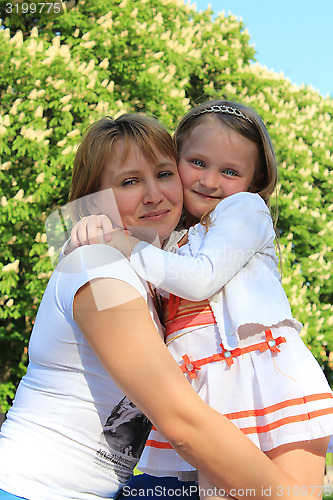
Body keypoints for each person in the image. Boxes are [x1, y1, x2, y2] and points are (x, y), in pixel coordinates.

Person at [0, 113, 319, 500]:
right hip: (28, 488)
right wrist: (292, 495)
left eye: (165, 174)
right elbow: (180, 422)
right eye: (130, 181)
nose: (155, 194)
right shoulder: (99, 266)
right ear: (96, 200)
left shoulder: (155, 275)